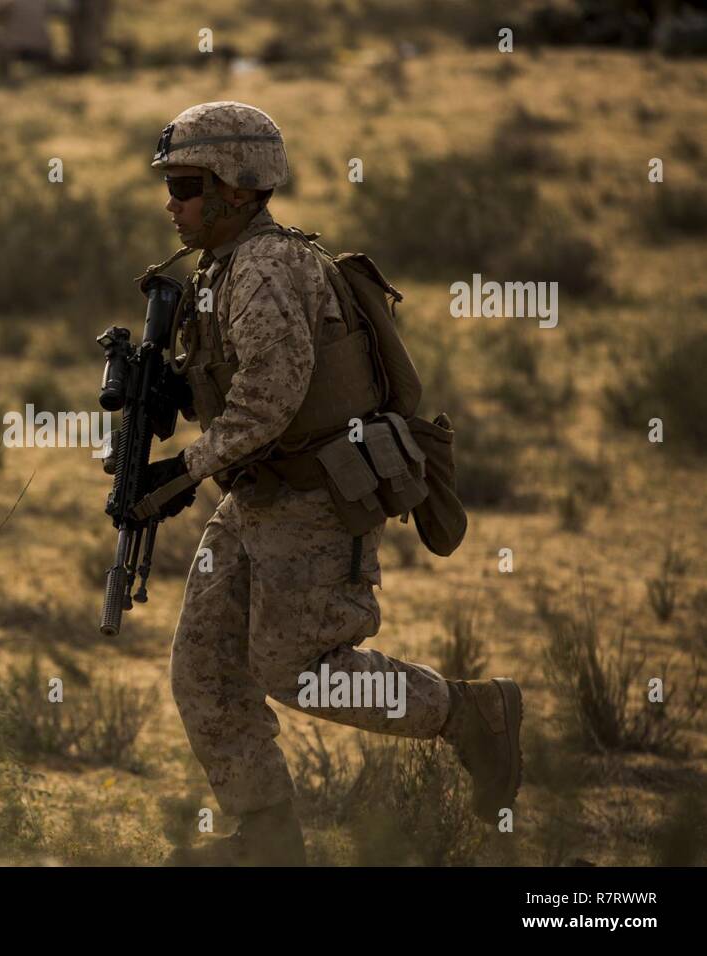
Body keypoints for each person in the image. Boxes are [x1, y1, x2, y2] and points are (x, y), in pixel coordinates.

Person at [137, 101, 524, 866]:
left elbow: (272, 397)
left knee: (303, 671)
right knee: (205, 668)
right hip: (258, 495)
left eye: (185, 185)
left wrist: (185, 470)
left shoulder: (267, 269)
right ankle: (268, 838)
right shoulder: (224, 268)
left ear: (237, 188)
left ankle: (468, 713)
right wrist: (173, 394)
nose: (171, 203)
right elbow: (240, 382)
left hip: (314, 496)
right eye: (171, 186)